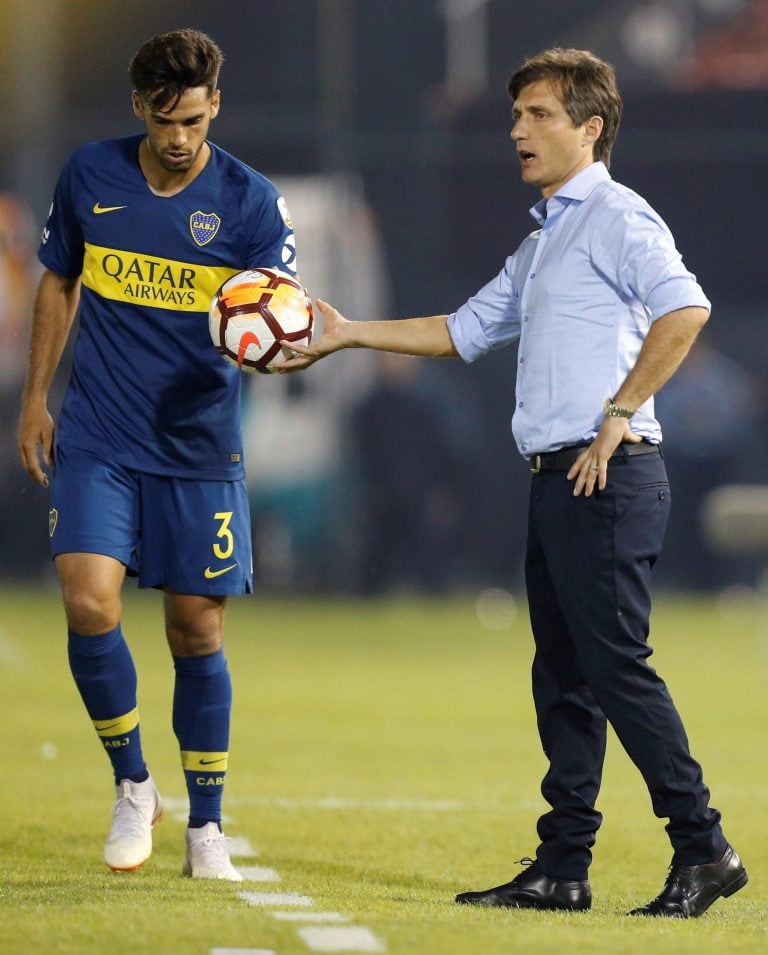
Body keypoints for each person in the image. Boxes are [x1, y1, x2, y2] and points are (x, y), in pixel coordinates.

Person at [277, 48, 747, 918]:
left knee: (617, 670)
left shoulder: (615, 215)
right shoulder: (546, 238)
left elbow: (688, 308)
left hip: (611, 469)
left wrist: (621, 406)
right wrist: (346, 334)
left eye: (538, 115)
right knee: (566, 675)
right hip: (559, 476)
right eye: (517, 115)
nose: (517, 130)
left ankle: (703, 844)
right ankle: (563, 865)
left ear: (590, 128)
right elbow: (459, 331)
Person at [17, 28, 298, 880]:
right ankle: (134, 782)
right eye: (166, 119)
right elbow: (60, 280)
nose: (181, 138)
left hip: (199, 444)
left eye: (197, 120)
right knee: (89, 602)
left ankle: (205, 825)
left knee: (195, 627)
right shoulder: (90, 175)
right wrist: (37, 395)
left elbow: (280, 314)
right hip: (99, 432)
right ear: (139, 107)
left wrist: (279, 344)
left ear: (217, 107)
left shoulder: (251, 202)